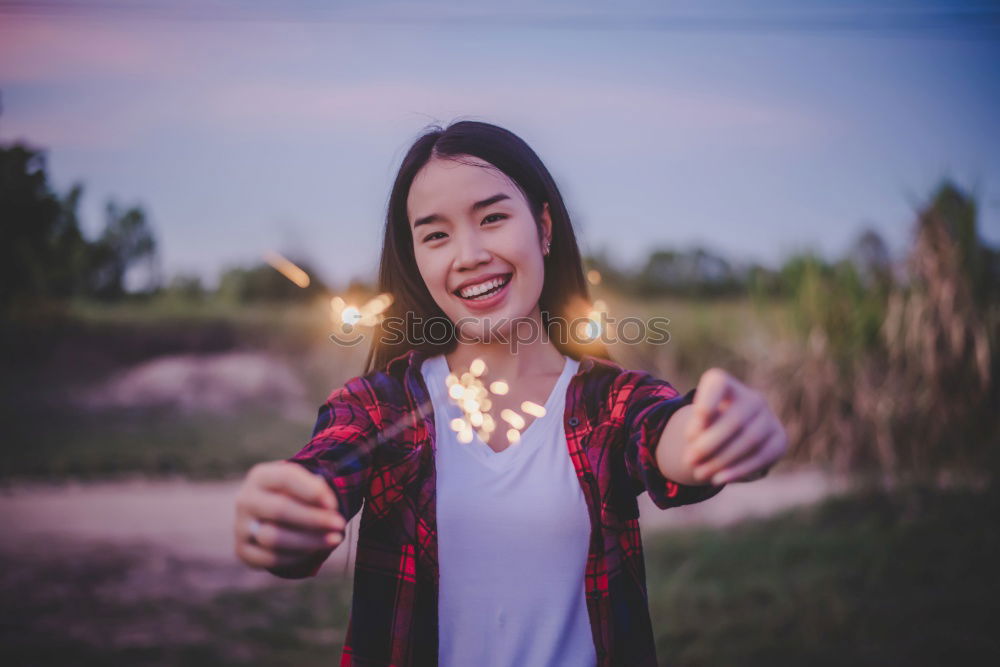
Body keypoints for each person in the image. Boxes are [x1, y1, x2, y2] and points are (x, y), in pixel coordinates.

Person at [233, 120, 788, 666]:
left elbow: (665, 432)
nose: (469, 253)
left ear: (544, 228)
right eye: (436, 234)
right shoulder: (379, 407)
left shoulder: (605, 401)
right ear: (416, 260)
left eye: (493, 217)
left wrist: (714, 431)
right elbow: (325, 470)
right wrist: (290, 510)